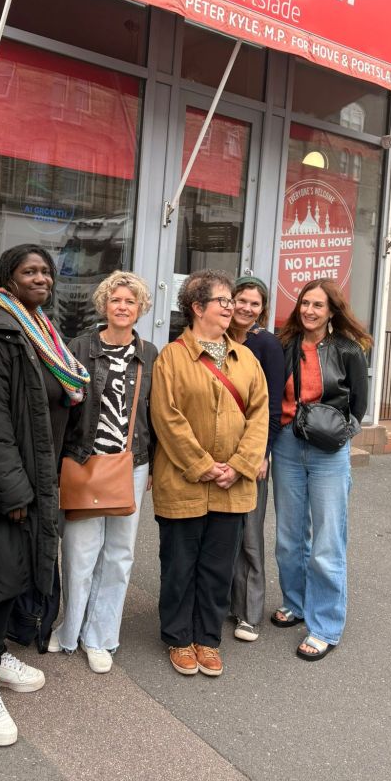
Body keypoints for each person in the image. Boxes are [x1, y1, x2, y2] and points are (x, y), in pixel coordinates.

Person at [0, 244, 89, 746]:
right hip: (11, 482)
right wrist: (13, 489)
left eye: (46, 272)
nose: (41, 279)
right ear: (8, 279)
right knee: (1, 575)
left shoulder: (43, 331)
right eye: (30, 271)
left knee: (19, 572)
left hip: (40, 476)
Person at [150, 270, 269, 678]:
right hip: (183, 482)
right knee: (180, 565)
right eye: (223, 300)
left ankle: (207, 638)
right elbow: (166, 417)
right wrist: (201, 465)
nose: (232, 307)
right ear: (198, 307)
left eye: (231, 300)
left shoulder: (247, 359)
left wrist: (239, 466)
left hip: (232, 486)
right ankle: (178, 637)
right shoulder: (171, 357)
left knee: (218, 568)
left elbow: (260, 417)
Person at [49, 271, 158, 672]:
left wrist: (152, 464)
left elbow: (154, 413)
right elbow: (63, 405)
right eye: (116, 300)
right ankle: (70, 628)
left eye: (130, 301)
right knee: (78, 552)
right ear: (104, 305)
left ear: (140, 308)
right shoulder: (80, 346)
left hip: (131, 463)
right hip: (84, 460)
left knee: (119, 554)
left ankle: (100, 636)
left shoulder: (149, 353)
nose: (123, 307)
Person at [271, 279, 372, 661]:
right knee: (288, 536)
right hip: (287, 445)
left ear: (332, 311)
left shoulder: (348, 350)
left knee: (328, 542)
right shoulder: (285, 345)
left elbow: (358, 406)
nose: (309, 311)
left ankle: (325, 624)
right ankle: (296, 603)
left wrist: (338, 434)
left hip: (329, 450)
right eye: (305, 303)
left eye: (318, 305)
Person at [228, 276, 285, 642]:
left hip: (252, 452)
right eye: (242, 300)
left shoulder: (268, 345)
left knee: (249, 533)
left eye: (255, 303)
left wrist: (264, 453)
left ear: (262, 309)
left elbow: (273, 407)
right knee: (221, 533)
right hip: (218, 451)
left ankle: (248, 613)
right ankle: (222, 602)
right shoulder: (216, 337)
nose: (247, 308)